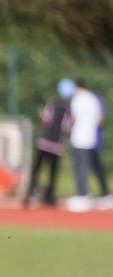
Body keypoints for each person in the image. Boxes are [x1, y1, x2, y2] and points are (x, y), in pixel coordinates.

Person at [22, 79, 74, 208]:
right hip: (56, 145)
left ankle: (29, 193)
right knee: (52, 172)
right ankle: (49, 196)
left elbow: (44, 120)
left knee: (36, 169)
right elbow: (66, 128)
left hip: (44, 142)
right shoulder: (68, 111)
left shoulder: (51, 105)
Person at [66, 80, 108, 212]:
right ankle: (104, 194)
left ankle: (83, 196)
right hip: (92, 138)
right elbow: (100, 119)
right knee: (95, 167)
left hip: (79, 138)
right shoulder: (94, 99)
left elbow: (73, 118)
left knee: (80, 168)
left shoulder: (78, 99)